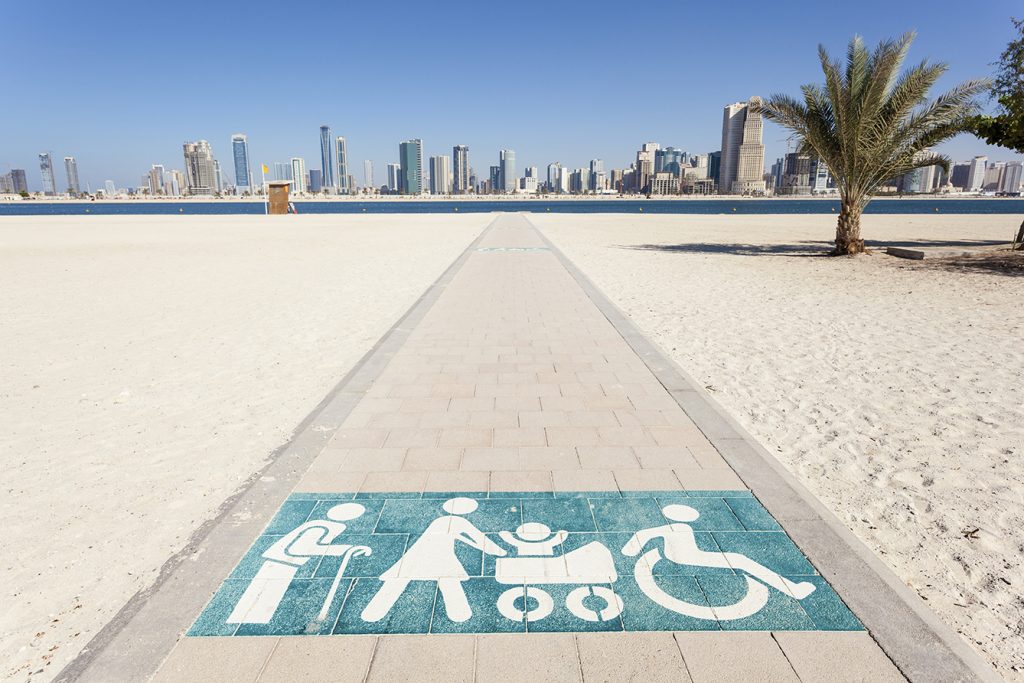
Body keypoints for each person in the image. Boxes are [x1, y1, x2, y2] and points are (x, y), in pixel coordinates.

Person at [622, 504, 815, 599]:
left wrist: (631, 549)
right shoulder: (679, 528)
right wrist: (630, 549)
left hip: (686, 556)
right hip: (688, 558)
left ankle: (791, 587)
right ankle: (792, 589)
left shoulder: (679, 528)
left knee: (739, 560)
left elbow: (644, 534)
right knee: (740, 560)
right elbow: (644, 534)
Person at [361, 497, 506, 623]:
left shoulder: (440, 520)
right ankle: (459, 614)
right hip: (441, 554)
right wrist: (498, 551)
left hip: (419, 553)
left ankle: (374, 612)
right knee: (449, 579)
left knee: (401, 577)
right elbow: (479, 539)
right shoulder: (459, 522)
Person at [227, 502, 366, 624]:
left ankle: (251, 618)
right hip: (280, 564)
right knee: (260, 595)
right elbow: (294, 550)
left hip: (288, 564)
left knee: (266, 598)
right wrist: (343, 549)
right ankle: (247, 619)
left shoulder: (325, 525)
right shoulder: (320, 526)